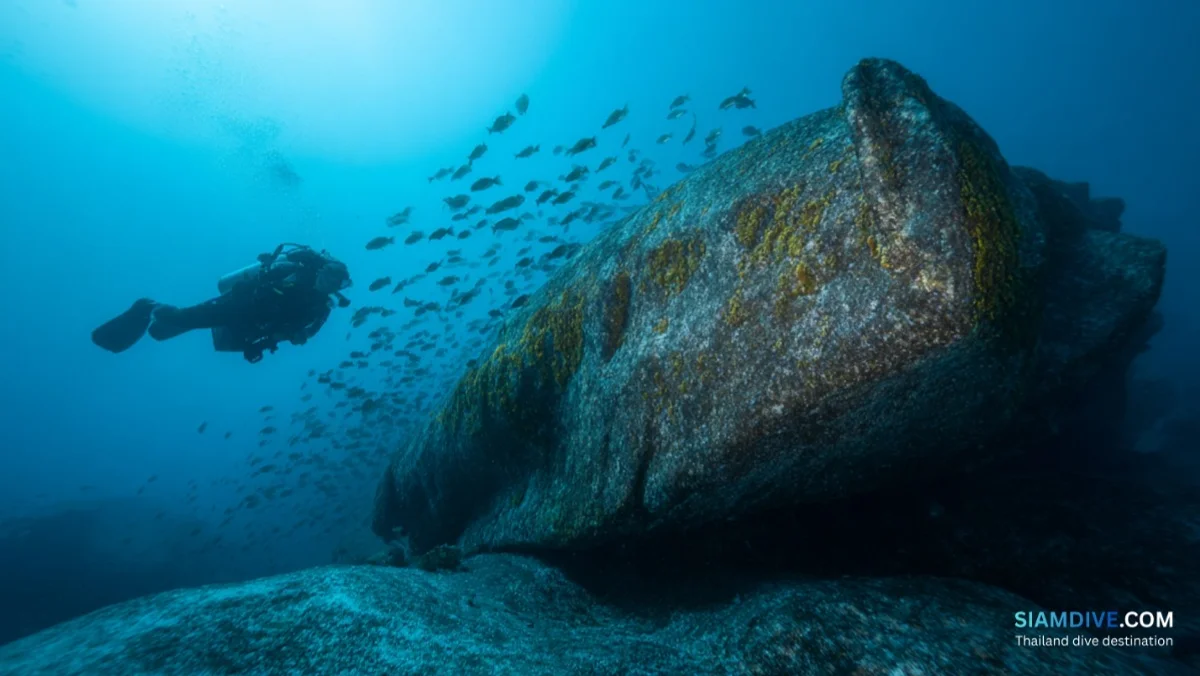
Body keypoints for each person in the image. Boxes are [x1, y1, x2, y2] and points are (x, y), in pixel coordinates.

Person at [91, 243, 352, 363]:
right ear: (321, 271)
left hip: (252, 331)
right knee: (180, 318)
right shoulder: (294, 272)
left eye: (336, 284)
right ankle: (148, 305)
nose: (329, 285)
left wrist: (287, 336)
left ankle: (158, 321)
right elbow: (261, 276)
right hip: (237, 306)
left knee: (160, 332)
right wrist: (269, 272)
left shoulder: (321, 307)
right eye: (329, 277)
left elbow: (303, 335)